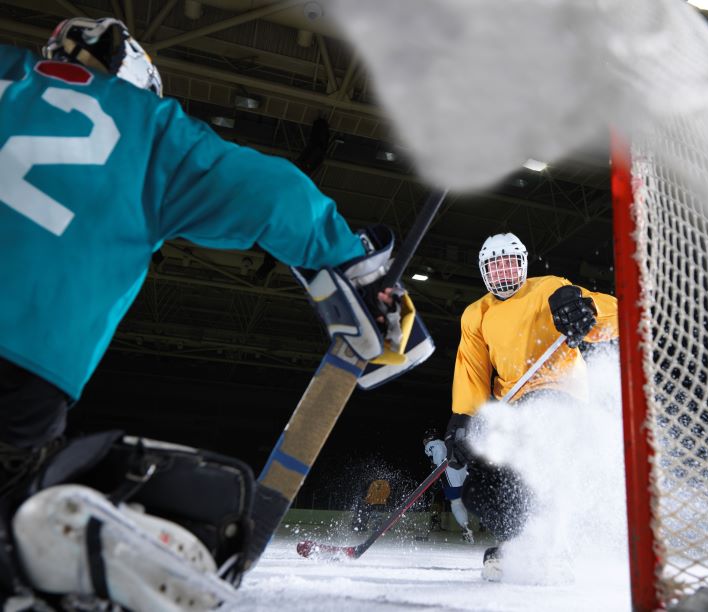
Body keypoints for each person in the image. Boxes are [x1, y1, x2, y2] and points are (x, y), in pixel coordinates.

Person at [0, 17, 419, 611]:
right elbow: (275, 197)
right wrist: (358, 271)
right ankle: (55, 542)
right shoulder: (148, 128)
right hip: (25, 359)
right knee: (18, 500)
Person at [444, 232, 618, 579]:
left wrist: (585, 309)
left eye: (510, 263)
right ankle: (518, 544)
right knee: (480, 486)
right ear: (483, 272)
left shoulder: (550, 288)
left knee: (536, 469)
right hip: (514, 406)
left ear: (523, 264)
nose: (504, 273)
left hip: (560, 396)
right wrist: (462, 420)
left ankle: (555, 547)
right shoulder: (476, 315)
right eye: (495, 267)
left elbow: (611, 314)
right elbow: (472, 370)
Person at [423, 429, 475, 544]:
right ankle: (466, 527)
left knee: (456, 502)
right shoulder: (445, 443)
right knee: (460, 501)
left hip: (451, 475)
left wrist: (436, 477)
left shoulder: (433, 445)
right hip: (463, 473)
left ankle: (465, 528)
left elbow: (439, 454)